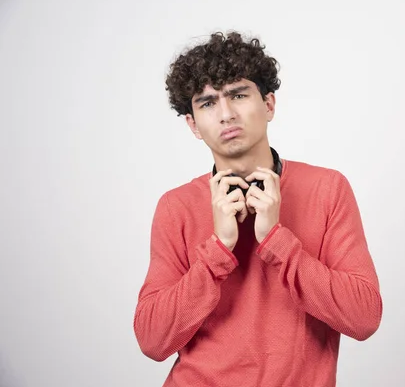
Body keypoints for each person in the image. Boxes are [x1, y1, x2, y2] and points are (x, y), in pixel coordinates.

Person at [133, 31, 383, 387]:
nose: (226, 114)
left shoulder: (327, 189)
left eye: (238, 95)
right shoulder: (176, 207)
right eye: (207, 103)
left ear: (269, 105)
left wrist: (277, 241)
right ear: (193, 125)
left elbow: (363, 318)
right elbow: (152, 340)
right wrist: (218, 249)